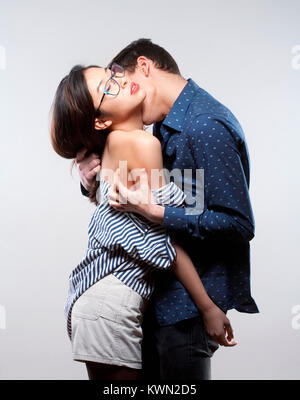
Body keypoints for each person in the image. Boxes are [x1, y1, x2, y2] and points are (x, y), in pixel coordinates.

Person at [76, 38, 259, 381]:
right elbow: (178, 200)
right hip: (153, 301)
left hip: (185, 311)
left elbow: (238, 223)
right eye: (110, 85)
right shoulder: (163, 125)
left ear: (143, 68)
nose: (119, 87)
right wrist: (94, 181)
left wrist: (158, 213)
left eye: (119, 78)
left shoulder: (203, 127)